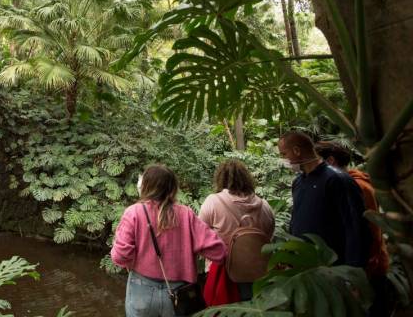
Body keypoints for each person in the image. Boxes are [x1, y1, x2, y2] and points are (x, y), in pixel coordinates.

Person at [111, 164, 226, 317]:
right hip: (179, 295)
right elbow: (219, 252)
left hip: (141, 292)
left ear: (145, 186)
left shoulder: (133, 212)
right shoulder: (186, 214)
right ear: (173, 188)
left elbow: (120, 256)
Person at [315, 141, 392, 316]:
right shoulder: (349, 183)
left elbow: (368, 228)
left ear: (331, 161)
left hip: (368, 267)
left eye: (316, 161)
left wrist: (361, 267)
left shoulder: (356, 186)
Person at [277, 131, 370, 267]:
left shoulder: (336, 179)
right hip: (306, 264)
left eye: (284, 154)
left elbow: (355, 226)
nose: (283, 159)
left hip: (333, 266)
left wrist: (353, 269)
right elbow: (296, 220)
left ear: (296, 151)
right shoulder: (298, 182)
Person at [199, 159, 275, 302]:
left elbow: (200, 235)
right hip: (259, 274)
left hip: (224, 275)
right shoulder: (265, 206)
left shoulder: (213, 202)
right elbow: (269, 237)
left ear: (221, 178)